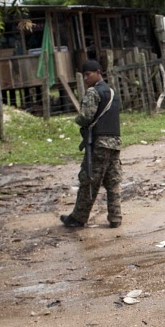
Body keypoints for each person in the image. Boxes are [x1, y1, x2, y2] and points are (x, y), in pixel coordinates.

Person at [60, 59, 121, 229]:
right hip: (115, 143)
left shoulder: (94, 92)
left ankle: (78, 218)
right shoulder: (112, 92)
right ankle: (116, 217)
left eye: (88, 74)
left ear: (98, 72)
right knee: (113, 182)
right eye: (84, 75)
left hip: (99, 144)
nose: (86, 78)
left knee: (89, 180)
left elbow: (85, 117)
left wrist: (77, 119)